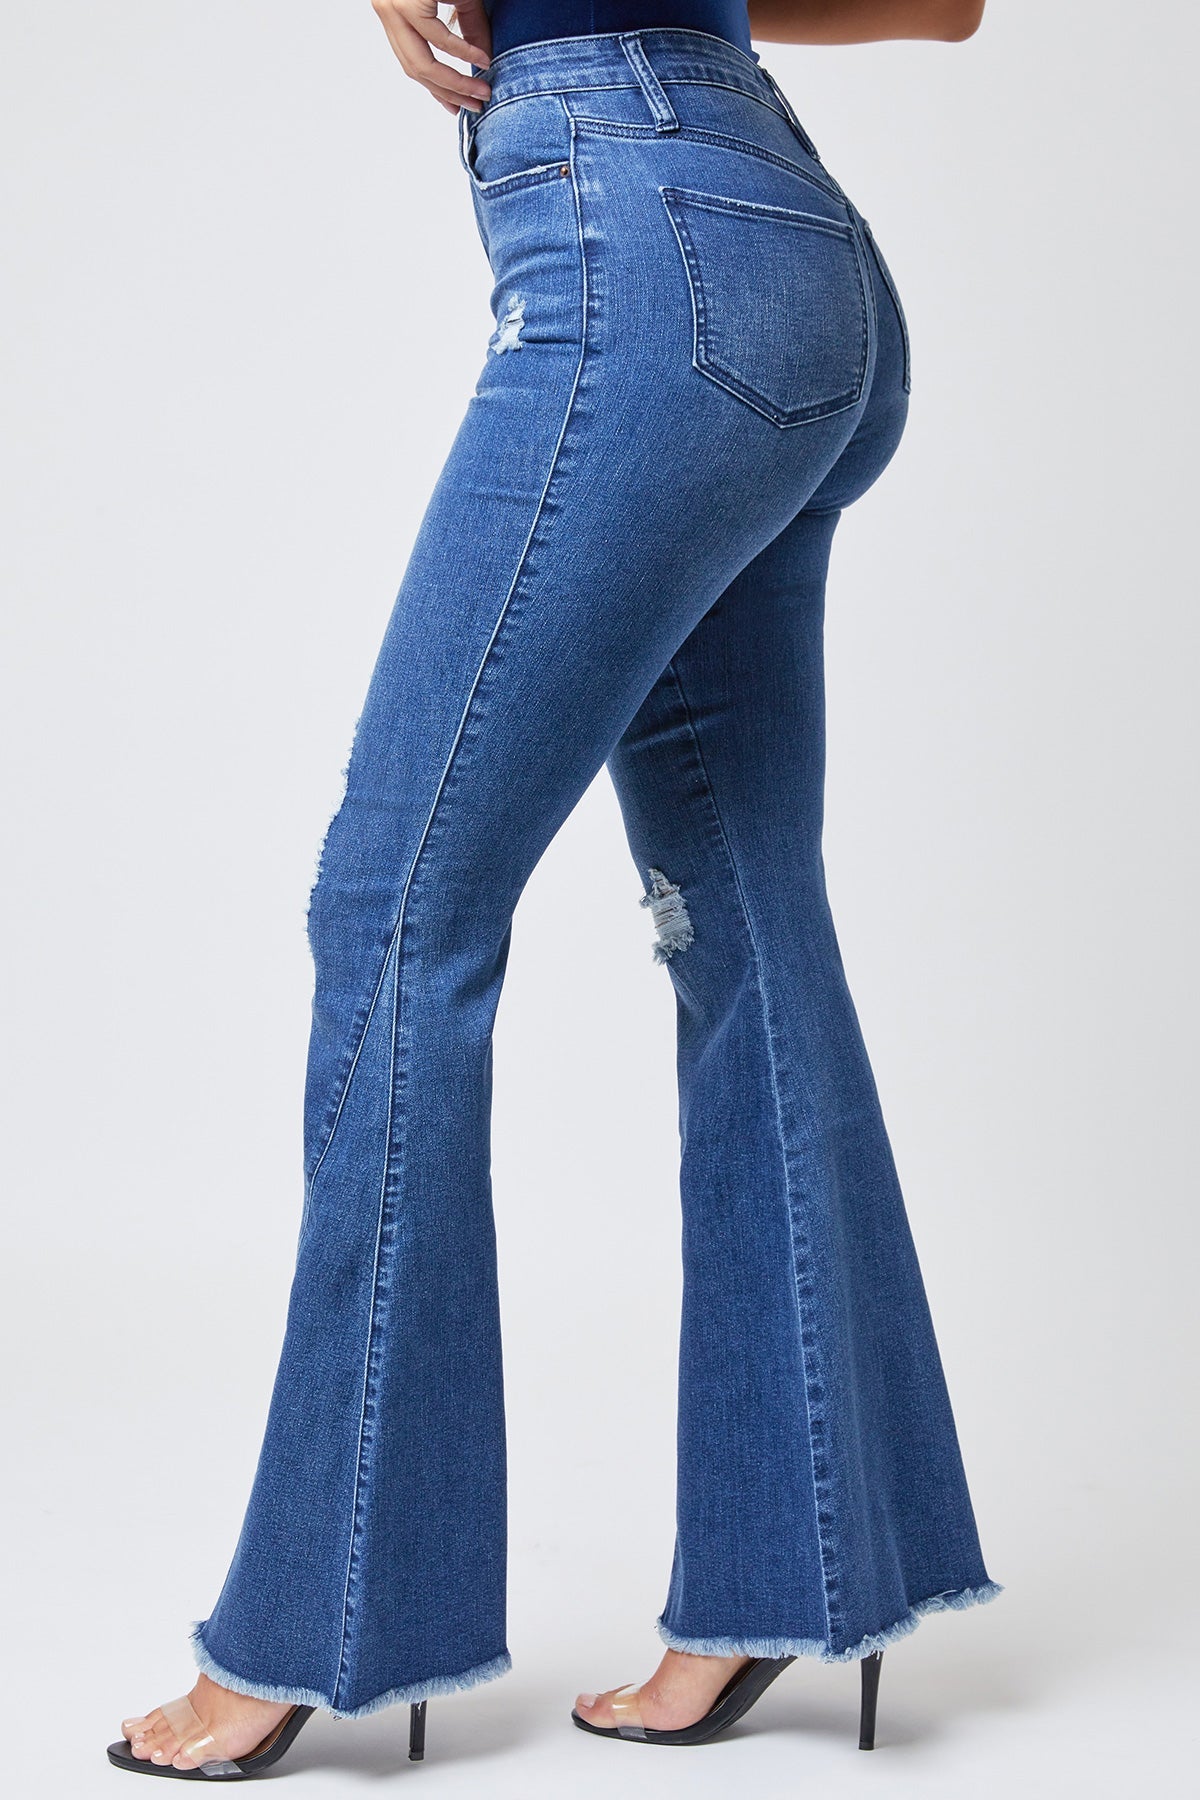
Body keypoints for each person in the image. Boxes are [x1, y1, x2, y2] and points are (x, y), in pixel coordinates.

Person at [109, 0, 999, 1778]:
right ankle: (796, 1573)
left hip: (641, 234)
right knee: (742, 913)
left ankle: (327, 1615)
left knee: (396, 916)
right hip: (785, 244)